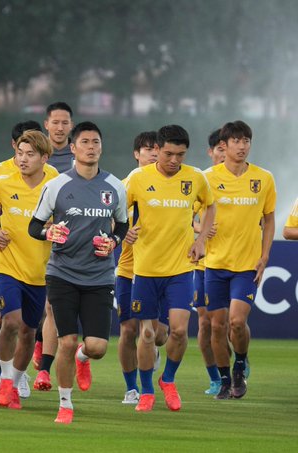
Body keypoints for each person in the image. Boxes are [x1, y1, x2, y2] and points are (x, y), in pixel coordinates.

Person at [28, 121, 128, 424]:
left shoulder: (115, 186)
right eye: (85, 142)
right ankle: (65, 404)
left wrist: (113, 241)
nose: (91, 147)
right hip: (63, 273)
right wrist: (49, 233)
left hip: (99, 276)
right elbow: (34, 226)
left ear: (101, 147)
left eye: (96, 142)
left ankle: (83, 359)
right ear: (73, 148)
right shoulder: (57, 185)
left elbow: (122, 225)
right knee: (67, 340)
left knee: (97, 347)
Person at [125, 124, 215, 412]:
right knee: (147, 335)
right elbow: (117, 210)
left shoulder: (195, 177)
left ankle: (168, 380)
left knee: (178, 331)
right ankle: (147, 391)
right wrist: (124, 231)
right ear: (157, 149)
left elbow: (210, 206)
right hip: (145, 270)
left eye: (180, 155)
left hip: (180, 269)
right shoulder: (138, 178)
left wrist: (201, 240)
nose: (174, 160)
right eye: (168, 154)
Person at [0, 120, 59, 398]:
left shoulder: (55, 183)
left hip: (39, 269)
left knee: (28, 330)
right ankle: (4, 378)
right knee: (11, 322)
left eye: (29, 155)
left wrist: (55, 229)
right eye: (19, 153)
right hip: (7, 265)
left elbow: (63, 216)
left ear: (44, 158)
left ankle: (16, 380)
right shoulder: (2, 182)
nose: (22, 159)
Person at [204, 120, 276, 399]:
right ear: (224, 145)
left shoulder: (264, 178)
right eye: (236, 141)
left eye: (246, 141)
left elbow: (269, 219)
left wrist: (265, 255)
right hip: (215, 264)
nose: (242, 146)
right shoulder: (207, 178)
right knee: (217, 325)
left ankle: (240, 365)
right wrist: (200, 232)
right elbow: (188, 214)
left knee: (236, 321)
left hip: (247, 265)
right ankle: (224, 379)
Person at [115, 131, 169, 405]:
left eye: (157, 149)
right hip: (128, 269)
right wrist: (121, 232)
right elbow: (107, 220)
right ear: (136, 154)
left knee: (158, 336)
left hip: (161, 270)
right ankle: (131, 388)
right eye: (148, 149)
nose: (153, 153)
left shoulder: (171, 184)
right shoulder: (123, 186)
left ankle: (152, 352)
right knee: (128, 330)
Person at [34, 101, 75, 392]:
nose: (60, 128)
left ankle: (46, 365)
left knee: (53, 306)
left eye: (65, 123)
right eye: (55, 122)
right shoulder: (34, 156)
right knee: (37, 308)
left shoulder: (78, 157)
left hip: (67, 244)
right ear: (46, 124)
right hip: (37, 239)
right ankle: (39, 342)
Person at [192, 129, 225, 395]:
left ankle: (239, 359)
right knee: (205, 323)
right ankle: (215, 378)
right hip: (204, 263)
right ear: (210, 152)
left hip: (233, 262)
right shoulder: (201, 179)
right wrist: (200, 230)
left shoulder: (249, 179)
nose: (225, 154)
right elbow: (184, 214)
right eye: (220, 149)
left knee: (230, 322)